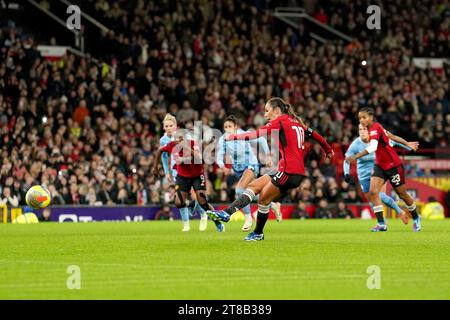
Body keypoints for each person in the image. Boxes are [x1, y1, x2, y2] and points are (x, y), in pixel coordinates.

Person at [207, 97, 334, 241]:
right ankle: (227, 213)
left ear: (277, 111)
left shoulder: (279, 121)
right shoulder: (297, 123)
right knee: (253, 186)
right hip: (291, 171)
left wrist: (235, 137)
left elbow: (255, 135)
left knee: (263, 200)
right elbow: (315, 134)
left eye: (267, 111)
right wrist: (328, 149)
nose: (265, 115)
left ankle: (257, 233)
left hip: (288, 171)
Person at [345, 107, 421, 232]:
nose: (361, 120)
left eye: (364, 117)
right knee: (373, 192)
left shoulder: (375, 128)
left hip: (393, 166)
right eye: (359, 118)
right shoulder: (374, 129)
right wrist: (407, 143)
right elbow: (392, 136)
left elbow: (373, 147)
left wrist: (355, 157)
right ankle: (382, 224)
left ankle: (416, 218)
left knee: (402, 194)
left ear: (371, 118)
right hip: (380, 165)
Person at [216, 115, 282, 231]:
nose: (227, 129)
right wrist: (222, 166)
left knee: (239, 190)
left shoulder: (243, 134)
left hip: (251, 165)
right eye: (225, 127)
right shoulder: (223, 139)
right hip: (238, 170)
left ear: (235, 127)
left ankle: (248, 219)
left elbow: (261, 139)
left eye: (230, 126)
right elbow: (219, 155)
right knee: (251, 193)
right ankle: (272, 204)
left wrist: (268, 157)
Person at [152, 129, 224, 232]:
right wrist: (155, 167)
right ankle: (191, 204)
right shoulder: (172, 145)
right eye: (178, 138)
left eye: (182, 138)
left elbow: (199, 158)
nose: (180, 140)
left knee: (203, 202)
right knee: (178, 203)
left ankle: (218, 223)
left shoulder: (194, 144)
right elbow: (160, 150)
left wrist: (187, 150)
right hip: (182, 176)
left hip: (197, 175)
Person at [344, 124, 411, 224]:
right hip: (363, 175)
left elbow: (393, 142)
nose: (362, 131)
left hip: (378, 172)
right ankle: (383, 220)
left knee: (379, 195)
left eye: (364, 129)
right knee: (372, 199)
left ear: (369, 131)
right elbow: (346, 160)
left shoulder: (376, 140)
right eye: (360, 129)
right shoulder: (355, 144)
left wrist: (408, 146)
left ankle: (399, 212)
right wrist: (346, 173)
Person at [159, 114, 208, 231]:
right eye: (167, 126)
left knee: (196, 195)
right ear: (164, 128)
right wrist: (167, 172)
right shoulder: (163, 140)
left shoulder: (185, 136)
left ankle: (202, 215)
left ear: (176, 126)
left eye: (171, 125)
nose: (169, 128)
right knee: (180, 198)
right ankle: (186, 224)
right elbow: (164, 157)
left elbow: (196, 154)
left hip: (191, 170)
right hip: (177, 170)